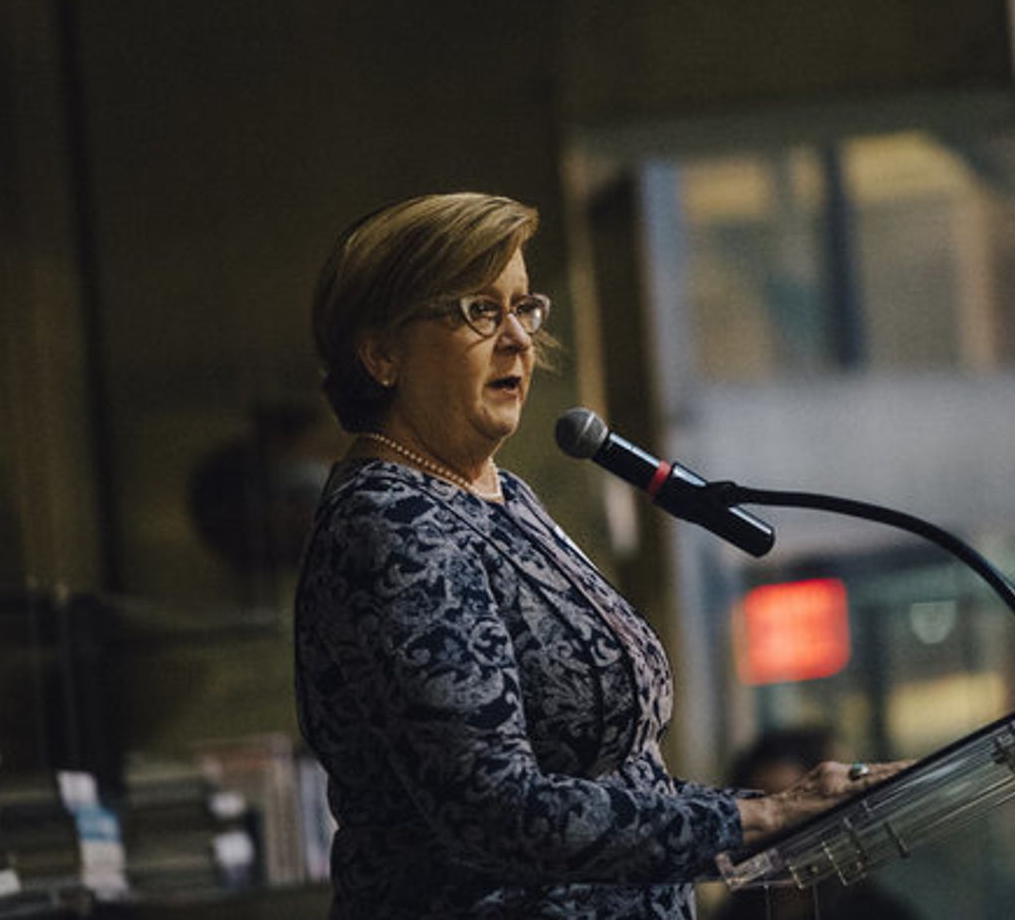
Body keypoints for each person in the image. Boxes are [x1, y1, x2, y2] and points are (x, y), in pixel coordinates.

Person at [293, 192, 902, 919]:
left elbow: (621, 780)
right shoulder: (391, 524)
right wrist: (756, 820)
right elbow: (496, 808)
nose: (518, 338)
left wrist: (784, 810)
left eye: (523, 306)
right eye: (478, 311)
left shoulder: (501, 496)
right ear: (381, 353)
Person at [713, 729, 917, 920]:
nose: (779, 833)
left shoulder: (879, 914)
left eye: (796, 816)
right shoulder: (735, 914)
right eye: (763, 814)